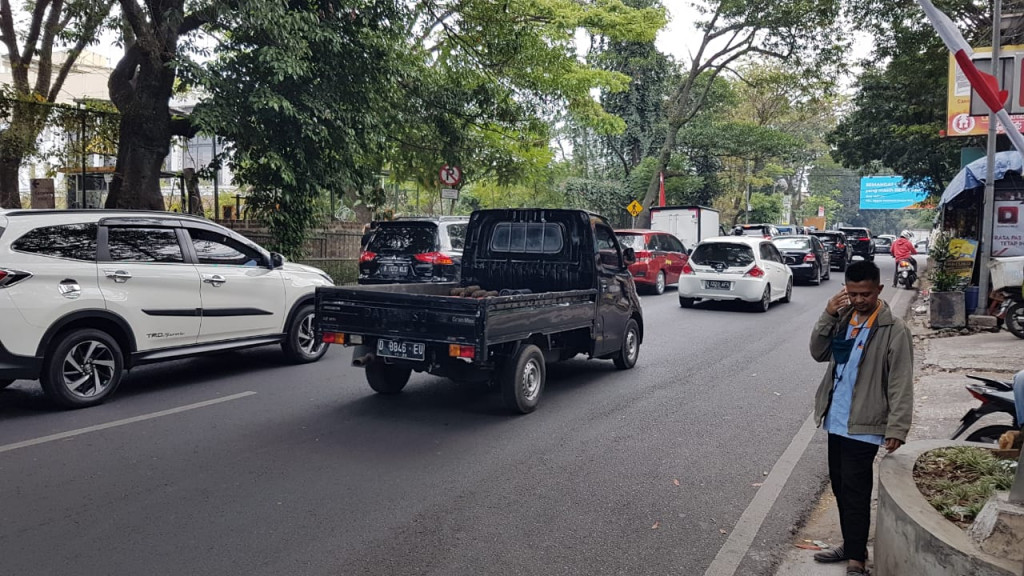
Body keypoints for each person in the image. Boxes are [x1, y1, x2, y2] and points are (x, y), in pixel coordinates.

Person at [809, 260, 914, 576]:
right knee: (841, 488)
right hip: (836, 420)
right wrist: (827, 314)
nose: (858, 300)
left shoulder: (893, 330)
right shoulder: (843, 319)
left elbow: (900, 382)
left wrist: (897, 426)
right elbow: (818, 352)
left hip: (865, 424)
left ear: (879, 290)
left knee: (855, 490)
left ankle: (857, 560)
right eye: (852, 294)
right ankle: (851, 544)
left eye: (865, 294)